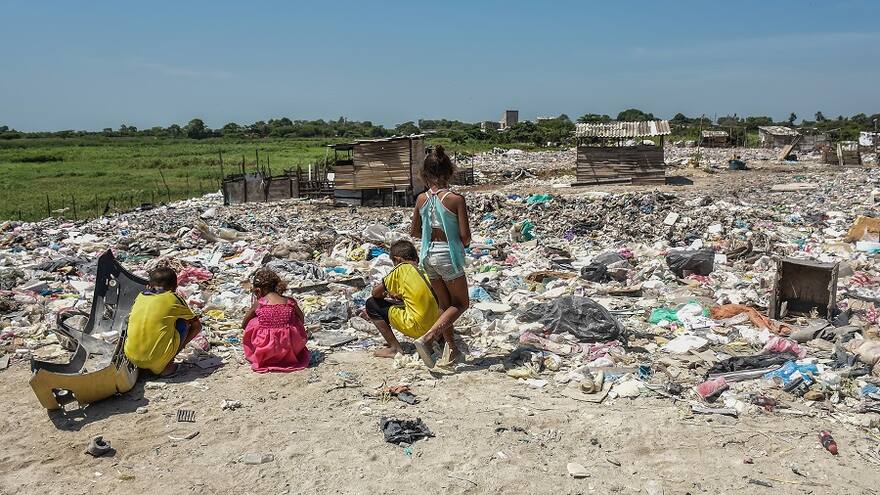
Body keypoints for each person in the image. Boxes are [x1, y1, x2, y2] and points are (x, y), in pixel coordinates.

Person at [410, 145, 471, 365]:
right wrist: (454, 239)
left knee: (444, 305)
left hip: (428, 255)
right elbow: (465, 237)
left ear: (424, 174)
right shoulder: (455, 199)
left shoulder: (421, 199)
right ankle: (428, 338)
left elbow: (414, 231)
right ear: (449, 172)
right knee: (461, 303)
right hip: (447, 256)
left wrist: (431, 233)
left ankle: (452, 349)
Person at [365, 240, 440, 362]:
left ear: (397, 259)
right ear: (416, 258)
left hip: (417, 327)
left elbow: (376, 293)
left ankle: (394, 348)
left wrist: (386, 294)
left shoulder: (401, 268)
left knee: (371, 304)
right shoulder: (423, 271)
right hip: (436, 327)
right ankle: (437, 339)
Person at [125, 266, 202, 376]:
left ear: (149, 285)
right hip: (157, 361)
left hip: (132, 357)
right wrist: (179, 349)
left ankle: (145, 365)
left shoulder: (140, 297)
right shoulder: (173, 298)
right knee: (183, 323)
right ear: (174, 287)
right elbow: (197, 326)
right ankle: (166, 366)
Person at [241, 268, 310, 373]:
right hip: (290, 348)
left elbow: (244, 324)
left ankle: (261, 355)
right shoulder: (290, 301)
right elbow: (302, 319)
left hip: (266, 350)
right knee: (294, 321)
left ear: (258, 290)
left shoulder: (260, 303)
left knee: (253, 323)